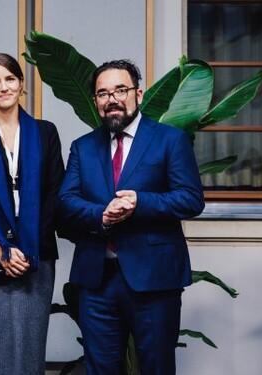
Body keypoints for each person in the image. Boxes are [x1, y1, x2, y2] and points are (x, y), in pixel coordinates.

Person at [58, 59, 205, 374]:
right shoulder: (83, 147)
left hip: (154, 279)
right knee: (101, 369)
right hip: (97, 281)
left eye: (120, 90)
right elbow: (66, 202)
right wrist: (103, 215)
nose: (111, 99)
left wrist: (141, 203)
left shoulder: (170, 139)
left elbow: (191, 199)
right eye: (102, 93)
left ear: (138, 94)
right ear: (96, 101)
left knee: (156, 367)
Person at [0, 53, 64, 375]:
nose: (3, 87)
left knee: (30, 349)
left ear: (20, 84)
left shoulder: (46, 132)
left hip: (36, 255)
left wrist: (25, 248)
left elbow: (53, 194)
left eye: (9, 79)